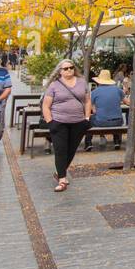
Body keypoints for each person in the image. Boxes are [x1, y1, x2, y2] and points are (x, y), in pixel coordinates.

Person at [43, 60, 91, 192]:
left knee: (71, 150)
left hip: (78, 122)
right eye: (66, 69)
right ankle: (62, 179)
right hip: (59, 122)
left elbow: (87, 101)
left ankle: (60, 172)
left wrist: (87, 118)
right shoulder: (54, 85)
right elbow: (46, 106)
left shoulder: (82, 82)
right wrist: (50, 122)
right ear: (60, 71)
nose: (69, 70)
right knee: (60, 150)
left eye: (71, 68)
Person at [86, 69, 124, 151]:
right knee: (116, 117)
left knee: (89, 120)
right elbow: (126, 101)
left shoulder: (95, 92)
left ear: (99, 81)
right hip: (117, 122)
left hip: (101, 122)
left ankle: (88, 143)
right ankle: (116, 141)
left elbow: (92, 109)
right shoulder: (118, 90)